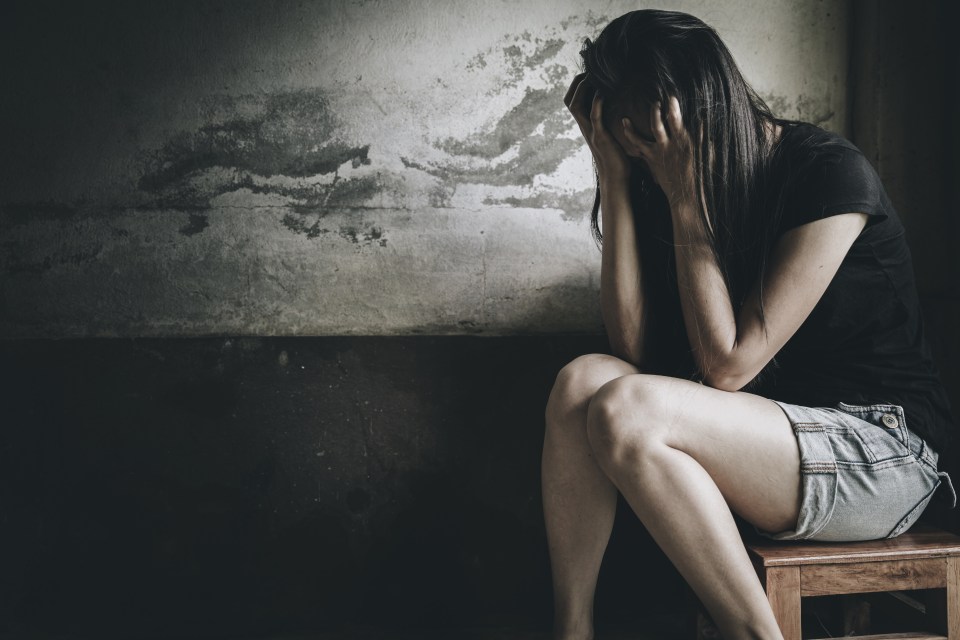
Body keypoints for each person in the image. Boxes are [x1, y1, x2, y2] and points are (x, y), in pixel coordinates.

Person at [541, 9, 957, 640]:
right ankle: (573, 631)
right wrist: (616, 178)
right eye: (631, 145)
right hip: (772, 445)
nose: (646, 158)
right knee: (584, 382)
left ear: (694, 115)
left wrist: (686, 196)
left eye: (649, 144)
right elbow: (629, 347)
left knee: (628, 407)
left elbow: (728, 367)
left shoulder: (827, 172)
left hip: (885, 451)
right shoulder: (659, 178)